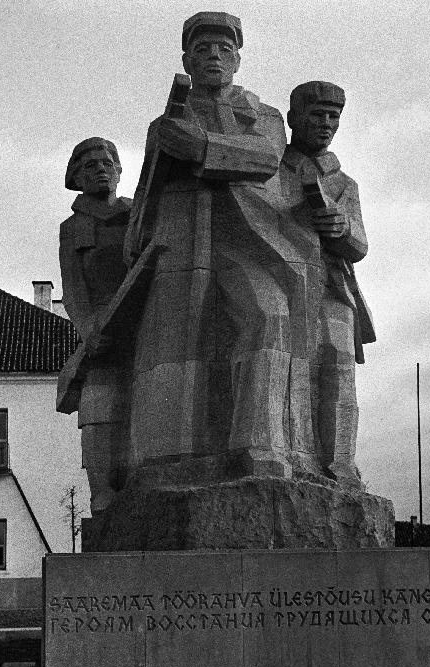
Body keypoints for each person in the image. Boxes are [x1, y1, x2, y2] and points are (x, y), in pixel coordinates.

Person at [124, 11, 322, 485]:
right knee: (178, 347)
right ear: (187, 59)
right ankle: (168, 462)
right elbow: (147, 193)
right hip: (181, 243)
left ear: (237, 59)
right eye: (203, 49)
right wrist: (138, 240)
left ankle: (260, 445)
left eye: (224, 49)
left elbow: (265, 159)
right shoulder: (165, 123)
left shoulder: (262, 114)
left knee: (268, 315)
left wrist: (202, 146)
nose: (214, 56)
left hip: (246, 241)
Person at [279, 81, 375, 483]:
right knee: (293, 370)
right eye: (316, 114)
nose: (326, 123)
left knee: (337, 367)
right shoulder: (272, 171)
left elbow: (360, 245)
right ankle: (297, 461)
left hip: (334, 288)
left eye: (333, 116)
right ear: (292, 119)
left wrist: (343, 226)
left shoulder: (345, 183)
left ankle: (341, 466)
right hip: (285, 282)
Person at [56, 137, 133, 515]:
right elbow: (72, 289)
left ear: (119, 171)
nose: (101, 169)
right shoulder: (73, 228)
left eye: (107, 162)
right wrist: (89, 331)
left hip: (144, 319)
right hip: (103, 325)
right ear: (76, 178)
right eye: (90, 165)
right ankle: (101, 492)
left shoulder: (140, 214)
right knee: (99, 405)